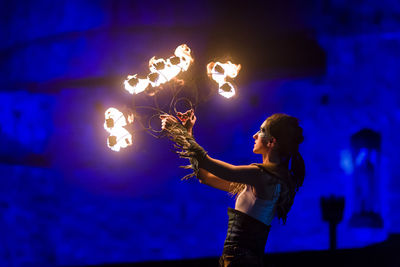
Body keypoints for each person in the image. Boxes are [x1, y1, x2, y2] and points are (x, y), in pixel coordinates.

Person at [160, 110, 305, 267]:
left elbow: (206, 163)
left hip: (240, 262)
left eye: (262, 131)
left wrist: (179, 131)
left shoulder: (260, 176)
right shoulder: (264, 179)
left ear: (272, 141)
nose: (254, 135)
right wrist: (187, 132)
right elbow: (205, 177)